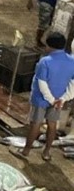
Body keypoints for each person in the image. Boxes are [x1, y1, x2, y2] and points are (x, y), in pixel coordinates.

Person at [13, 31, 74, 161]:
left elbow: (42, 83)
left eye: (46, 45)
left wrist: (51, 100)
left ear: (50, 46)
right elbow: (73, 83)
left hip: (42, 99)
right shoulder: (72, 61)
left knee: (36, 124)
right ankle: (46, 153)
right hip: (59, 100)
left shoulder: (45, 61)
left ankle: (25, 151)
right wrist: (63, 98)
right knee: (52, 124)